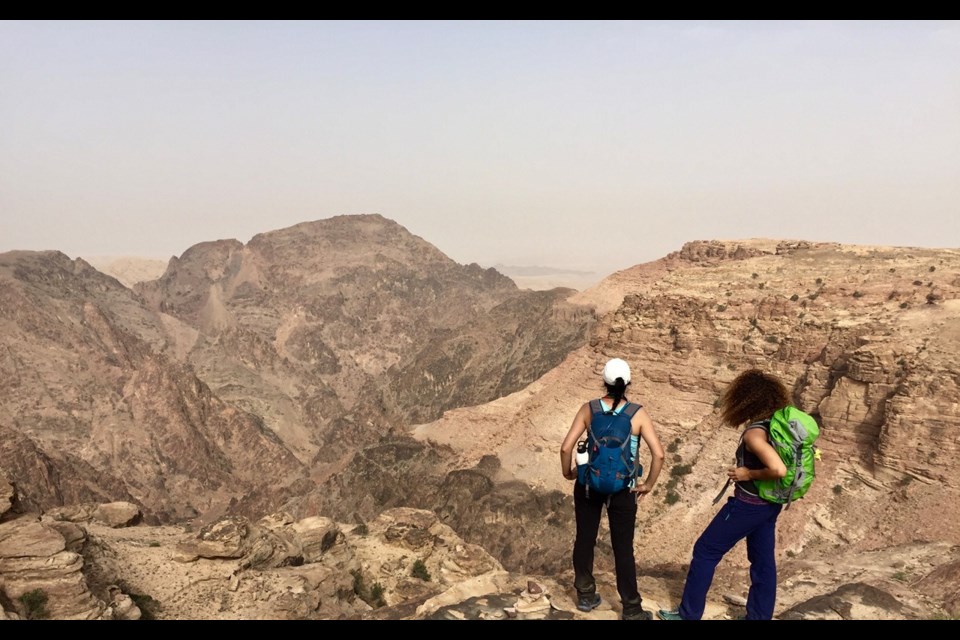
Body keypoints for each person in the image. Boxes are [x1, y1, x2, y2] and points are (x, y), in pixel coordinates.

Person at [658, 368, 790, 621]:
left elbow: (778, 469)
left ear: (746, 399)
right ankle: (759, 616)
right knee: (763, 563)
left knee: (705, 550)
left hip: (748, 505)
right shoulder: (776, 425)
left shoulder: (755, 432)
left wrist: (747, 474)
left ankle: (688, 615)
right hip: (769, 505)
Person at [560, 357, 665, 620]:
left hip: (588, 485)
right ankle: (631, 608)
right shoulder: (637, 414)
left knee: (585, 538)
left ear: (604, 382)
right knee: (623, 547)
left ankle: (585, 596)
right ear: (627, 383)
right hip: (624, 489)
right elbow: (659, 455)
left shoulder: (589, 409)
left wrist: (569, 473)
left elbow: (565, 447)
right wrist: (647, 485)